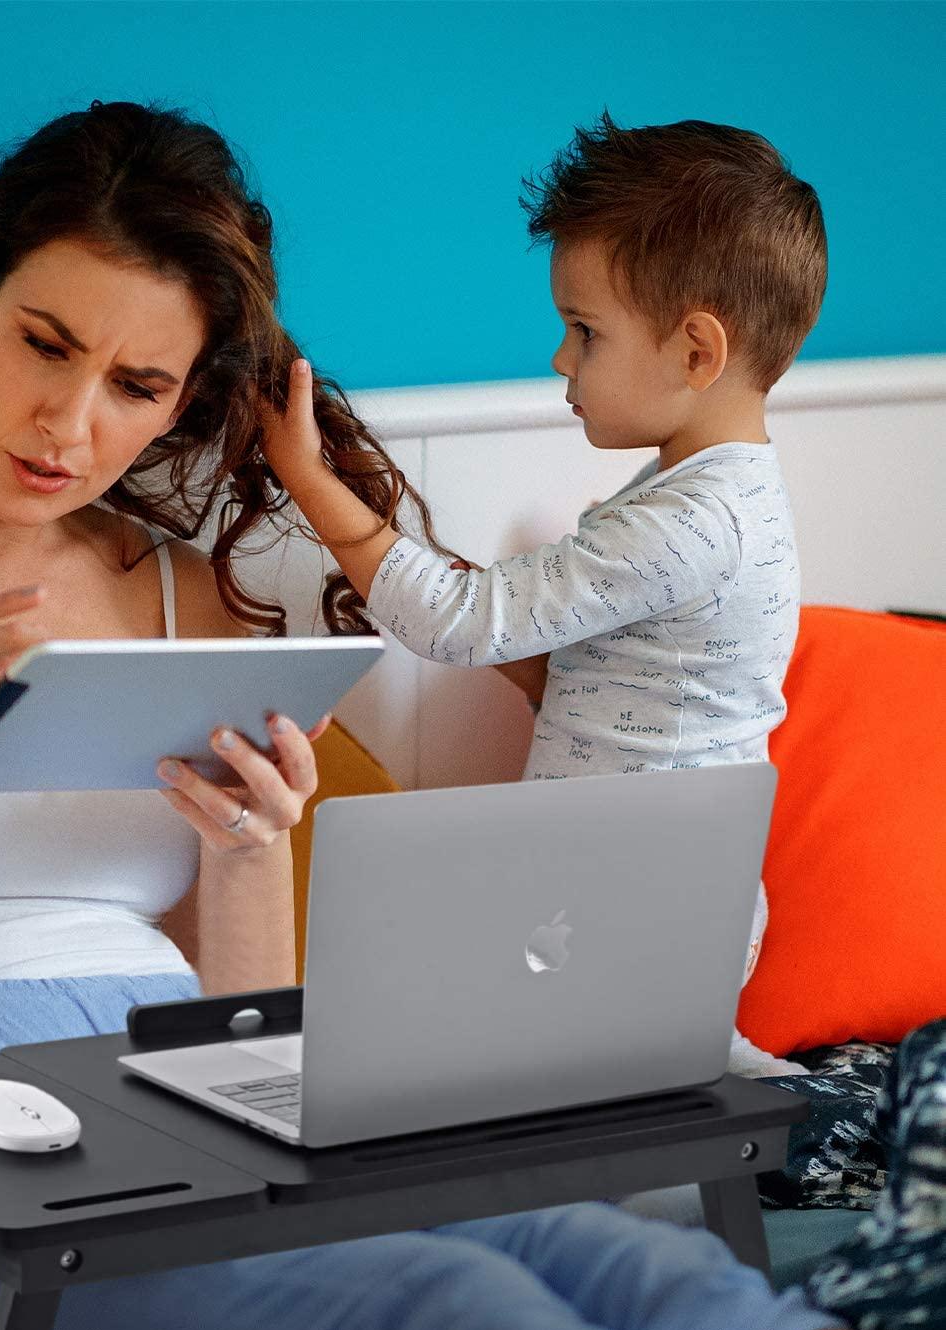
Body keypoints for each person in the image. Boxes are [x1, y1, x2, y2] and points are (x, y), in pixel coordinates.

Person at [0, 101, 946, 1330]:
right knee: (444, 1328)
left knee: (621, 1262)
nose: (70, 424)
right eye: (44, 346)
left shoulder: (183, 600)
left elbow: (239, 1027)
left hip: (174, 1103)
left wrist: (250, 851)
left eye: (140, 385)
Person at [261, 114, 826, 1080]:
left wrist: (308, 478)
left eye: (585, 330)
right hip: (661, 886)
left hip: (638, 895)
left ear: (697, 352)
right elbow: (567, 658)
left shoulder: (687, 524)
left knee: (528, 1071)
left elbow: (456, 624)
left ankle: (766, 1116)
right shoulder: (713, 496)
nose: (562, 359)